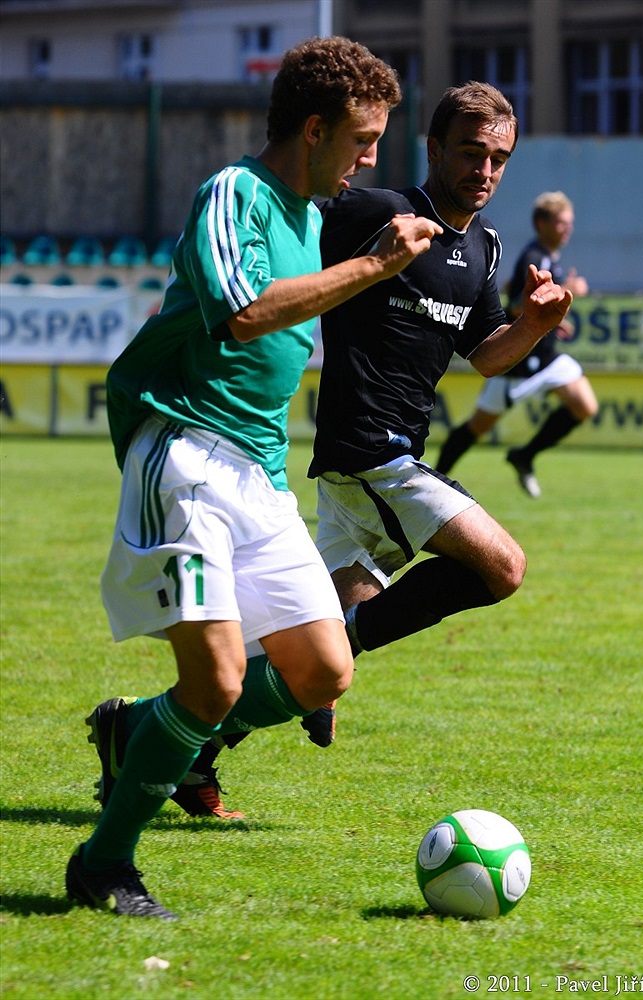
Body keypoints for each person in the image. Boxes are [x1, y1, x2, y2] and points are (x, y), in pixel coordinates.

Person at [65, 35, 443, 920]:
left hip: (260, 474)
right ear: (313, 129)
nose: (370, 159)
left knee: (324, 670)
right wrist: (375, 265)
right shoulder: (233, 193)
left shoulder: (313, 215)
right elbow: (242, 314)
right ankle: (104, 862)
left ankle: (136, 727)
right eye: (361, 139)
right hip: (187, 451)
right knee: (218, 683)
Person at [166, 82, 574, 816]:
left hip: (380, 462)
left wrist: (534, 325)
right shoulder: (377, 212)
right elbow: (289, 234)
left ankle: (172, 744)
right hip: (369, 452)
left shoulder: (484, 249)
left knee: (306, 659)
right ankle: (331, 652)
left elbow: (486, 355)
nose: (484, 170)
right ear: (435, 149)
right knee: (502, 566)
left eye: (499, 159)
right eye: (470, 152)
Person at [436, 190, 598, 496]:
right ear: (542, 223)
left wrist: (556, 322)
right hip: (519, 364)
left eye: (570, 222)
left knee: (584, 404)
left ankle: (524, 455)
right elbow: (514, 307)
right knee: (477, 427)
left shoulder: (548, 257)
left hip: (547, 357)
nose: (568, 228)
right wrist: (568, 288)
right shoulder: (534, 257)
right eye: (562, 222)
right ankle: (437, 476)